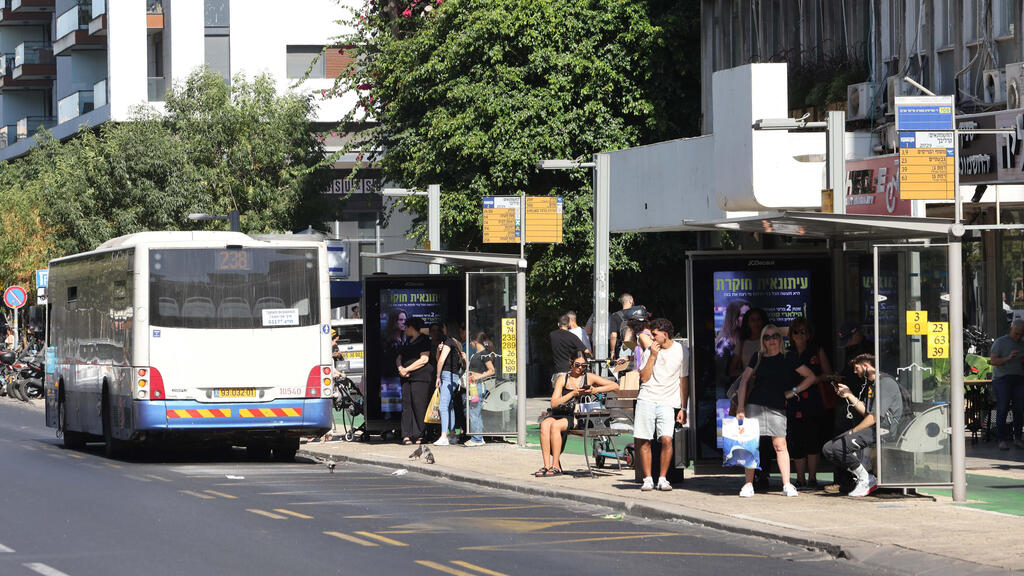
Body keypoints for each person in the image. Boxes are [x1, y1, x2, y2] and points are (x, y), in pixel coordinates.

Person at [735, 324, 815, 498]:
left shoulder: (789, 357)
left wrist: (793, 392)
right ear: (763, 340)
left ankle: (786, 484)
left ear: (780, 338)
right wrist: (741, 407)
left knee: (780, 445)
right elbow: (743, 382)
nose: (771, 340)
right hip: (754, 405)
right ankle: (748, 484)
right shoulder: (758, 357)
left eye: (774, 336)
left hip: (777, 407)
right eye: (767, 337)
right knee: (751, 445)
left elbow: (811, 377)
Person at [821, 354, 904, 497]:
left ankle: (865, 479)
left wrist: (853, 431)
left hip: (884, 430)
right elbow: (868, 413)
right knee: (829, 448)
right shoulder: (872, 384)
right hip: (874, 428)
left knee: (839, 447)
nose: (855, 372)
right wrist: (849, 395)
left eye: (856, 368)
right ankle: (865, 476)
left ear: (866, 366)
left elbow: (874, 417)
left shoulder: (885, 383)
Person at [535, 350, 619, 477]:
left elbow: (614, 386)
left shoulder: (589, 377)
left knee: (555, 426)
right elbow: (554, 403)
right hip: (559, 413)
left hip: (576, 416)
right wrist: (572, 393)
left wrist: (594, 390)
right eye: (577, 364)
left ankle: (556, 465)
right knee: (545, 424)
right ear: (571, 363)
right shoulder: (562, 379)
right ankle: (547, 465)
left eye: (583, 366)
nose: (580, 368)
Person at [634, 318, 689, 492]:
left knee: (667, 439)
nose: (652, 337)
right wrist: (652, 356)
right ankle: (648, 478)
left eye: (654, 334)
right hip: (647, 397)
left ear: (665, 335)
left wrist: (683, 407)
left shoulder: (682, 350)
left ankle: (663, 478)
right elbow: (643, 377)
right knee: (645, 440)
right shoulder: (649, 350)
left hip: (668, 400)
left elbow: (684, 379)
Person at [785, 317, 833, 489]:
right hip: (792, 402)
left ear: (809, 334)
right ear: (791, 335)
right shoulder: (786, 353)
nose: (799, 335)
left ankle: (812, 478)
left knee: (812, 440)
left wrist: (813, 380)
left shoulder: (816, 350)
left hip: (813, 400)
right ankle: (799, 479)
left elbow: (829, 374)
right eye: (796, 332)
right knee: (796, 441)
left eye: (803, 331)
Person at [827, 321, 874, 493]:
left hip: (860, 400)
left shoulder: (868, 351)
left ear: (856, 334)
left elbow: (862, 378)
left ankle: (851, 479)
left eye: (849, 339)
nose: (847, 343)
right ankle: (843, 479)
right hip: (848, 398)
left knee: (849, 439)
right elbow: (850, 375)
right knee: (840, 438)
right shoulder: (851, 350)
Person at [396, 317, 434, 445]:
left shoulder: (424, 340)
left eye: (406, 327)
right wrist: (400, 368)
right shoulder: (407, 341)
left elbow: (424, 359)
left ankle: (420, 434)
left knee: (419, 405)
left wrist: (407, 369)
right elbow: (399, 357)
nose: (405, 330)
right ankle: (406, 434)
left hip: (420, 377)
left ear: (411, 327)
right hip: (406, 378)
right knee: (407, 405)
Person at [989, 318, 1024, 450]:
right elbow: (993, 361)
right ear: (1011, 329)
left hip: (1019, 378)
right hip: (1002, 379)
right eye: (1016, 333)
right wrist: (1008, 358)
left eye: (1021, 334)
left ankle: (1018, 438)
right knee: (1002, 408)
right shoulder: (1000, 342)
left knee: (1019, 409)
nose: (1018, 337)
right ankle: (1001, 439)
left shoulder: (1022, 343)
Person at [434, 321, 465, 446]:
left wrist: (437, 376)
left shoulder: (448, 342)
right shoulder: (457, 344)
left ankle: (443, 436)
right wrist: (438, 350)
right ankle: (452, 434)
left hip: (446, 376)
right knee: (449, 406)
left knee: (443, 406)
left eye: (444, 327)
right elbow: (441, 358)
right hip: (454, 376)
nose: (443, 330)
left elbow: (440, 361)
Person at [464, 335, 496, 447]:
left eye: (470, 342)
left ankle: (477, 438)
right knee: (474, 412)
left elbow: (492, 370)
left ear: (475, 341)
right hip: (473, 386)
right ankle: (478, 437)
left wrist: (478, 377)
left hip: (477, 386)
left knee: (474, 412)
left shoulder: (483, 354)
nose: (470, 344)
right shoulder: (475, 354)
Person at [550, 314, 585, 387]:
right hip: (569, 371)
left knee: (558, 395)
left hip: (557, 371)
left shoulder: (552, 335)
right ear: (568, 324)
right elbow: (585, 350)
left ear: (558, 324)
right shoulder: (572, 337)